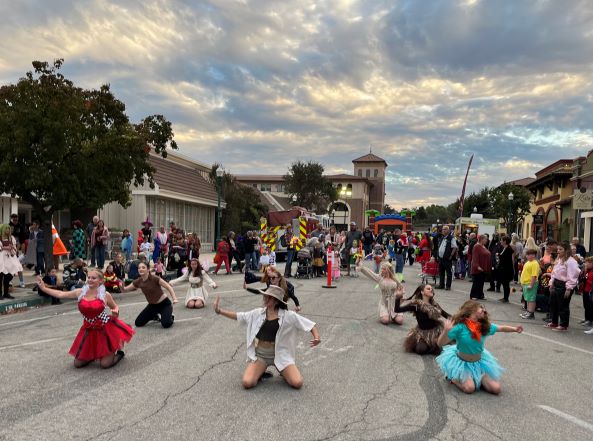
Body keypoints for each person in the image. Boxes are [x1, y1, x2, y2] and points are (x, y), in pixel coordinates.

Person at [213, 285, 321, 389]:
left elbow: (310, 325)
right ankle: (261, 372)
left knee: (297, 383)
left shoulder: (288, 316)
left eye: (269, 297)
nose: (265, 299)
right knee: (247, 382)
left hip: (281, 355)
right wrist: (220, 311)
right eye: (265, 296)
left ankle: (284, 371)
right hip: (261, 356)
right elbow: (239, 316)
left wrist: (317, 337)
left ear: (276, 301)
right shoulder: (257, 313)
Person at [36, 270, 134, 368]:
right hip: (88, 329)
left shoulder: (105, 294)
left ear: (100, 280)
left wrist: (115, 313)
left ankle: (119, 354)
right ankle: (93, 355)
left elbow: (114, 307)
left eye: (93, 278)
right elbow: (61, 294)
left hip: (104, 329)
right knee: (78, 364)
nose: (90, 280)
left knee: (105, 365)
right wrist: (43, 288)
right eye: (89, 277)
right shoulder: (80, 292)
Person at [436, 300, 523, 394]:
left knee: (496, 389)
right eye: (481, 307)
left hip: (480, 364)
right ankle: (453, 378)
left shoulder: (483, 326)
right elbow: (440, 344)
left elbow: (500, 328)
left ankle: (478, 378)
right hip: (462, 364)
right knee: (469, 388)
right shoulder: (460, 327)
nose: (484, 310)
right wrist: (445, 331)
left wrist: (514, 329)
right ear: (470, 310)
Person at [394, 284, 450, 355]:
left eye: (431, 288)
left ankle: (435, 342)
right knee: (420, 350)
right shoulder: (416, 305)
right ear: (422, 292)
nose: (431, 289)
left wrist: (460, 318)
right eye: (428, 288)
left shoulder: (435, 304)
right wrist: (398, 297)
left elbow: (446, 315)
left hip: (436, 331)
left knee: (442, 347)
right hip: (422, 332)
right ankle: (432, 344)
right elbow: (397, 310)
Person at [122, 262, 178, 328]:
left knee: (166, 324)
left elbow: (168, 287)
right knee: (138, 323)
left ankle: (170, 316)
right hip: (152, 306)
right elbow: (125, 289)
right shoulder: (138, 281)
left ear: (148, 270)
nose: (141, 269)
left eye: (143, 267)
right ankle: (154, 316)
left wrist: (174, 298)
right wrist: (120, 284)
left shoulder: (155, 278)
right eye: (139, 268)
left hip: (164, 304)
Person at [545, 241, 580, 331]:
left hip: (564, 285)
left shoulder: (571, 261)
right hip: (556, 283)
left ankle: (563, 325)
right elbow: (554, 273)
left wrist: (569, 288)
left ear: (566, 250)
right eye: (558, 249)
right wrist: (551, 283)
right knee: (553, 303)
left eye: (561, 249)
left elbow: (573, 275)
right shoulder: (559, 260)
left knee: (563, 305)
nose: (558, 251)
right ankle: (554, 322)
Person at [357, 259, 404, 325]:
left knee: (400, 321)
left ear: (388, 270)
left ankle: (393, 316)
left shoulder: (395, 278)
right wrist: (361, 267)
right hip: (384, 303)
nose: (382, 270)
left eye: (384, 269)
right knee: (385, 321)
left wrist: (400, 294)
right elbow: (370, 273)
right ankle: (385, 314)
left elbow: (401, 289)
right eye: (382, 269)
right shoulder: (380, 277)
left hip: (394, 303)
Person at [0, 224, 23, 299]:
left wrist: (12, 247)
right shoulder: (0, 238)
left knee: (9, 275)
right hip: (2, 258)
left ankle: (6, 293)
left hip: (10, 258)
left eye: (9, 229)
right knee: (1, 275)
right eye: (6, 229)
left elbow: (15, 249)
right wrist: (5, 247)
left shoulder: (12, 238)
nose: (8, 230)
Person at [519, 249, 541, 320]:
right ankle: (528, 311)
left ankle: (531, 313)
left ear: (534, 255)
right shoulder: (528, 262)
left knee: (531, 299)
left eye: (529, 254)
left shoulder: (535, 263)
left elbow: (534, 275)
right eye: (527, 254)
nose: (527, 256)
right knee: (528, 299)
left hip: (531, 283)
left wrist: (531, 285)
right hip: (526, 283)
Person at [437, 225, 457, 291]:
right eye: (443, 229)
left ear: (448, 230)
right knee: (441, 272)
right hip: (441, 258)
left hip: (447, 258)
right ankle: (441, 285)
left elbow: (454, 247)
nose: (443, 230)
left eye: (445, 229)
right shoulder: (442, 237)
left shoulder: (451, 238)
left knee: (448, 272)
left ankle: (448, 286)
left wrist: (451, 256)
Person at [497, 236, 514, 303]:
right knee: (504, 284)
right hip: (503, 269)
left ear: (505, 241)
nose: (500, 241)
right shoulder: (505, 248)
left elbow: (506, 260)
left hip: (507, 270)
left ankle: (506, 298)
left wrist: (500, 256)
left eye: (501, 240)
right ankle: (505, 297)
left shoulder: (509, 249)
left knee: (506, 284)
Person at [580, 257, 593, 332]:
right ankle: (586, 318)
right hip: (585, 289)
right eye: (586, 262)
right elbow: (583, 277)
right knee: (585, 305)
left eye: (588, 262)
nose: (586, 264)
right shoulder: (587, 270)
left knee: (589, 306)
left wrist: (586, 280)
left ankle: (590, 320)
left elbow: (590, 282)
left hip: (590, 291)